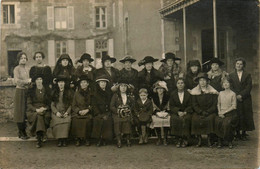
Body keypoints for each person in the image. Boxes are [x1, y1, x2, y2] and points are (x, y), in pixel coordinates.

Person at [190, 72, 218, 147]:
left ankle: (209, 139)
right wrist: (200, 111)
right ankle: (199, 139)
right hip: (199, 111)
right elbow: (194, 104)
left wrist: (208, 111)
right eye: (200, 80)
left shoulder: (212, 91)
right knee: (195, 119)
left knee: (211, 118)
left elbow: (215, 104)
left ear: (207, 81)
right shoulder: (194, 92)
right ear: (198, 82)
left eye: (204, 80)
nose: (202, 82)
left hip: (210, 111)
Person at [229, 57, 255, 140]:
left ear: (243, 65)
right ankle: (237, 133)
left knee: (245, 114)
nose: (239, 65)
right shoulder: (231, 75)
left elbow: (248, 87)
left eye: (241, 64)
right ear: (235, 65)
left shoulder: (247, 75)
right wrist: (236, 95)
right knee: (237, 114)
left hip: (245, 98)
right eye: (237, 64)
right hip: (235, 97)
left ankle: (244, 133)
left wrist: (241, 95)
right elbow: (231, 86)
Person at [26, 73, 51, 148]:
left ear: (42, 81)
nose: (39, 81)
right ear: (35, 81)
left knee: (45, 116)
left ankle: (39, 135)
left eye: (40, 79)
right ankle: (40, 137)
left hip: (45, 109)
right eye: (37, 80)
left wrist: (45, 108)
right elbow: (29, 104)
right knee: (39, 116)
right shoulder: (31, 91)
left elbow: (50, 102)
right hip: (33, 110)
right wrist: (36, 110)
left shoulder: (47, 90)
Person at [110, 79, 135, 148]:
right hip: (117, 113)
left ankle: (128, 139)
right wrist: (119, 111)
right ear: (119, 87)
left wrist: (128, 110)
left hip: (127, 113)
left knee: (127, 120)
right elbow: (111, 106)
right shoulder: (115, 96)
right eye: (121, 86)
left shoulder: (130, 96)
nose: (123, 88)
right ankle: (119, 140)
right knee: (117, 121)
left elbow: (133, 105)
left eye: (125, 86)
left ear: (127, 88)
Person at [50, 75, 73, 147]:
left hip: (66, 112)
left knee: (67, 120)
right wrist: (56, 112)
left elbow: (71, 104)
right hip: (57, 112)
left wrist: (67, 112)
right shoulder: (54, 92)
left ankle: (64, 139)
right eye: (59, 82)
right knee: (57, 120)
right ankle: (59, 139)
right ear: (57, 84)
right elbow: (52, 105)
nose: (61, 84)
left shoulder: (69, 92)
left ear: (65, 83)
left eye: (62, 82)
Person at [215, 77, 237, 149]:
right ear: (222, 84)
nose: (226, 84)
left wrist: (224, 112)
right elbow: (218, 104)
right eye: (224, 83)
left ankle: (229, 140)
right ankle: (220, 140)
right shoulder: (220, 93)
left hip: (230, 113)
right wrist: (219, 112)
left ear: (230, 84)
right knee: (218, 122)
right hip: (221, 113)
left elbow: (234, 106)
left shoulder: (233, 94)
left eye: (227, 83)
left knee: (226, 123)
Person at [169, 78, 192, 148]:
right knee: (175, 119)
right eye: (178, 83)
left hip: (186, 112)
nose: (180, 85)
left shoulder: (188, 94)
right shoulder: (173, 94)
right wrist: (178, 111)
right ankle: (178, 139)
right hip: (176, 112)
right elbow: (171, 106)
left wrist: (185, 112)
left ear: (184, 84)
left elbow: (191, 105)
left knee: (187, 119)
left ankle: (185, 139)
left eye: (182, 83)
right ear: (176, 85)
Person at [91, 75, 114, 146]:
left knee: (108, 120)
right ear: (98, 83)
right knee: (98, 120)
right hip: (98, 113)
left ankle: (105, 139)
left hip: (107, 112)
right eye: (101, 82)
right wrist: (99, 114)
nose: (103, 84)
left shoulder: (109, 93)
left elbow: (111, 104)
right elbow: (94, 105)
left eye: (104, 82)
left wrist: (107, 113)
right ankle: (99, 139)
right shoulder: (95, 93)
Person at [13, 52, 31, 140]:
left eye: (24, 58)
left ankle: (24, 130)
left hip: (27, 91)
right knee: (19, 111)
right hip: (20, 91)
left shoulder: (28, 69)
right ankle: (21, 131)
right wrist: (26, 81)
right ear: (18, 60)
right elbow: (16, 80)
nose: (23, 60)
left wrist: (30, 82)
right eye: (21, 58)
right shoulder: (16, 69)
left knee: (25, 111)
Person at [71, 75, 93, 146]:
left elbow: (93, 104)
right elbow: (73, 105)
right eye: (81, 83)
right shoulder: (76, 93)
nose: (83, 84)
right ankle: (77, 139)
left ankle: (87, 138)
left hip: (87, 112)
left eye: (85, 82)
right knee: (75, 120)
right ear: (80, 84)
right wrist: (78, 111)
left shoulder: (91, 93)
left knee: (88, 120)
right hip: (78, 112)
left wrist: (87, 110)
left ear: (88, 83)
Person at [150, 81, 170, 146]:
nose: (160, 90)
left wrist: (166, 111)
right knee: (156, 120)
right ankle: (159, 138)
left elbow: (168, 106)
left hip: (165, 112)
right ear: (156, 90)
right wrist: (157, 112)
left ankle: (165, 138)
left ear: (164, 89)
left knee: (167, 120)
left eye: (161, 88)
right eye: (158, 88)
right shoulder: (154, 98)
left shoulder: (167, 97)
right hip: (157, 113)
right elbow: (153, 107)